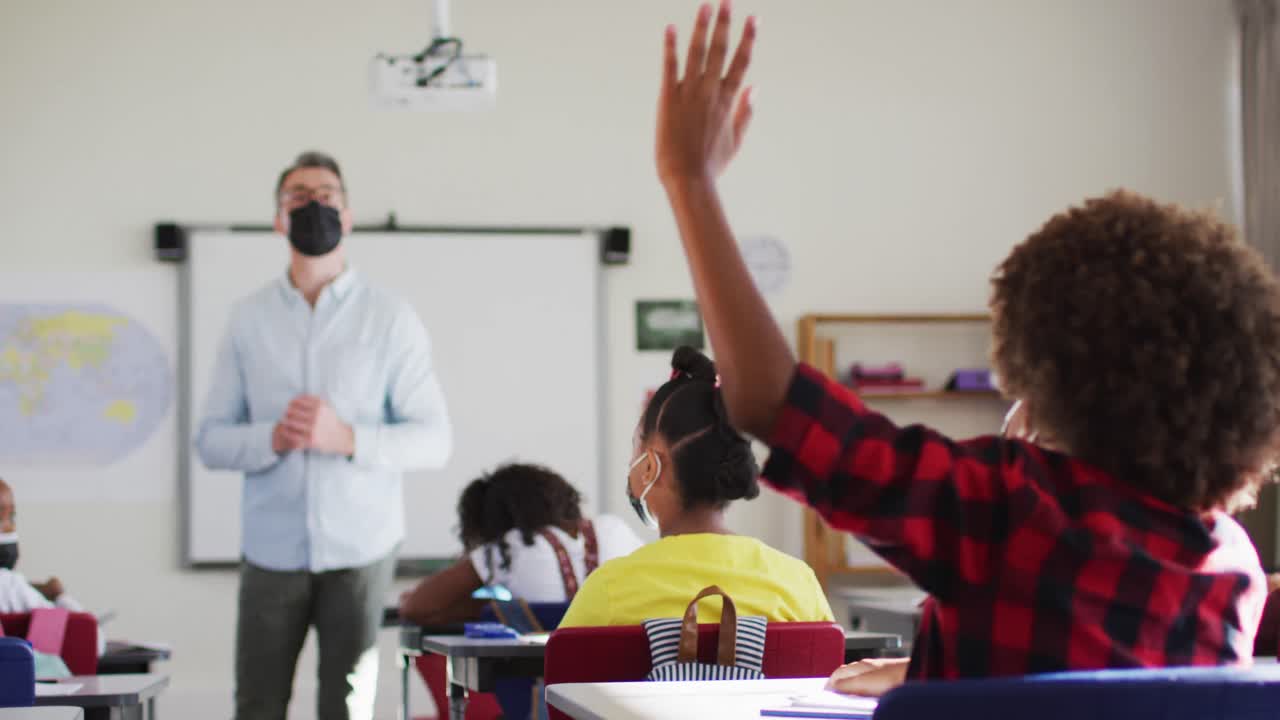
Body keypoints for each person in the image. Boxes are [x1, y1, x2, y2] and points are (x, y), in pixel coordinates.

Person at [653, 0, 1280, 695]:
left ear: (1047, 386)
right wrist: (925, 672)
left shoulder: (1009, 515)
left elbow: (772, 402)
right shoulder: (1229, 569)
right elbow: (1093, 679)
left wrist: (691, 181)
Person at [195, 151, 452, 720]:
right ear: (279, 219)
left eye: (326, 195)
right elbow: (209, 440)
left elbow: (434, 439)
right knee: (257, 704)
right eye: (299, 197)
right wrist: (273, 439)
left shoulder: (390, 316)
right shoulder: (247, 318)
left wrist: (349, 438)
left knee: (347, 708)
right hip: (270, 551)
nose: (314, 205)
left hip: (362, 549)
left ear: (349, 214)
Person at [559, 346, 835, 627]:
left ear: (650, 467)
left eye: (635, 447)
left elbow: (560, 667)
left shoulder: (608, 590)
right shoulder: (797, 584)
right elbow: (830, 667)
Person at [398, 462, 641, 625]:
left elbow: (416, 607)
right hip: (632, 682)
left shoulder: (514, 545)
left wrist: (499, 609)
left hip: (548, 691)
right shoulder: (614, 529)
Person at [0, 478, 87, 614]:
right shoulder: (11, 586)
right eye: (10, 518)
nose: (12, 527)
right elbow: (85, 629)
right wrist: (59, 596)